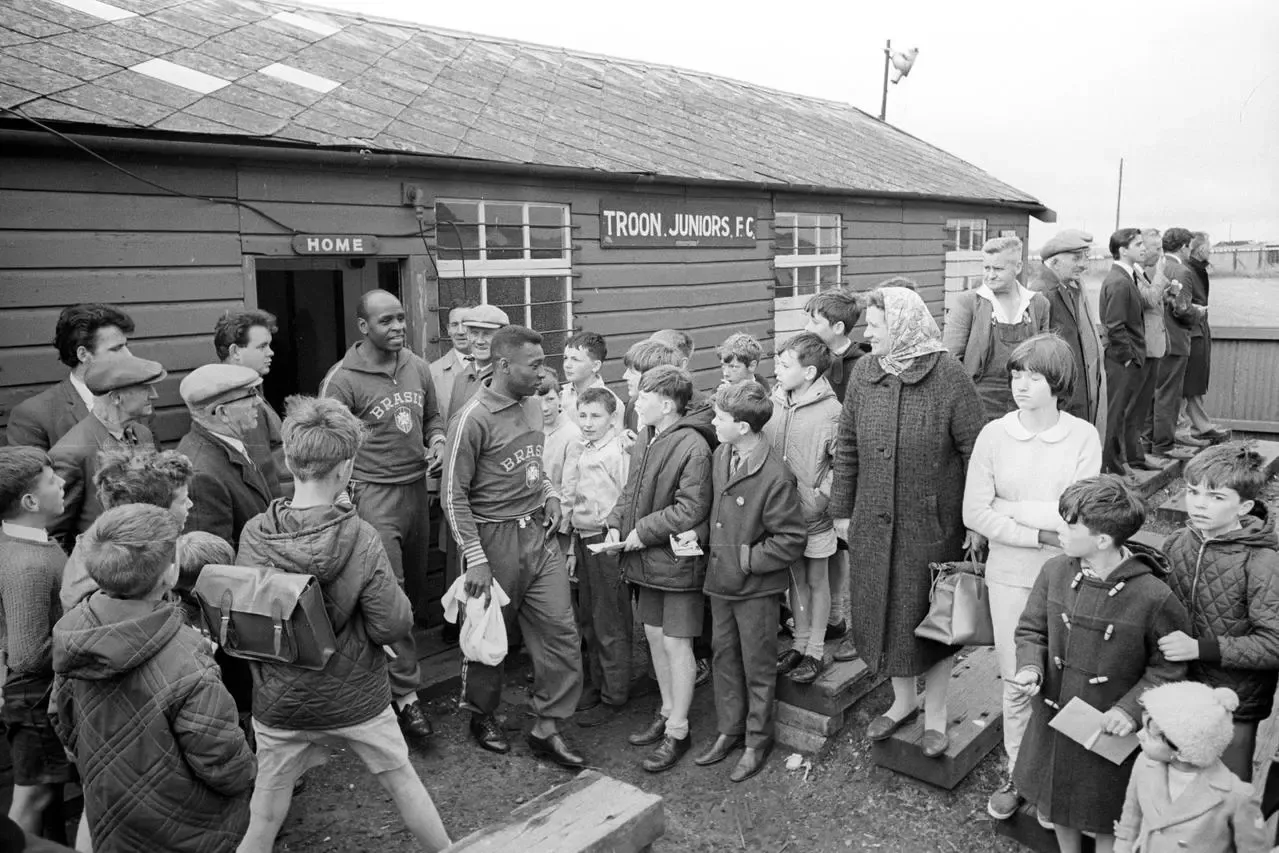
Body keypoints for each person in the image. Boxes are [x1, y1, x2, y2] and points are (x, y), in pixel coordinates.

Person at [234, 396, 451, 853]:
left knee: (265, 812)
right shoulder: (362, 535)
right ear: (346, 467)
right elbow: (392, 624)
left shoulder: (256, 532)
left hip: (280, 696)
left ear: (290, 460)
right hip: (354, 697)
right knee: (402, 784)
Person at [831, 285, 983, 757]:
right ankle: (903, 703)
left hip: (933, 526)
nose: (867, 333)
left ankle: (935, 715)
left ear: (901, 325)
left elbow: (976, 451)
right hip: (873, 524)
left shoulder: (948, 376)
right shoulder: (866, 374)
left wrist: (974, 520)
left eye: (876, 326)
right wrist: (840, 509)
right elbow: (849, 445)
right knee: (886, 616)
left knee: (929, 621)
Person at [52, 504, 256, 853]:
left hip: (111, 814)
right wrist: (248, 774)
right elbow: (224, 763)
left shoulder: (71, 633)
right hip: (189, 826)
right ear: (170, 574)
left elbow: (62, 717)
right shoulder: (189, 660)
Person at [961, 333, 1102, 820]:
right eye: (1016, 374)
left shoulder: (1083, 436)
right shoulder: (993, 435)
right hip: (1010, 576)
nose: (1021, 385)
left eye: (1034, 377)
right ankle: (1018, 774)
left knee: (1068, 677)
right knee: (1019, 679)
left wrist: (1013, 509)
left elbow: (1081, 514)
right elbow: (975, 512)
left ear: (1058, 382)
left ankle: (1057, 780)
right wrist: (1040, 532)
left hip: (1071, 578)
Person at [1011, 475, 1191, 853]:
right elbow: (1031, 630)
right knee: (1057, 801)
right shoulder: (1055, 571)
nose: (1060, 530)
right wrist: (1031, 668)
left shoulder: (1154, 596)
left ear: (1103, 540)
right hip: (1054, 720)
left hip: (1111, 729)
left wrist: (1130, 711)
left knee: (1108, 813)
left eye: (1070, 524)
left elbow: (1169, 668)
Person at [443, 325, 586, 768]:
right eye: (536, 364)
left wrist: (550, 494)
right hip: (492, 541)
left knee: (561, 631)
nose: (545, 373)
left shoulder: (531, 406)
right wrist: (476, 558)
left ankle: (548, 727)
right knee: (489, 636)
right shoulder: (472, 419)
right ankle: (482, 716)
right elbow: (452, 496)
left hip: (538, 537)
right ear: (504, 365)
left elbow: (533, 467)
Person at [319, 289, 444, 741]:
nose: (397, 327)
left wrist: (438, 442)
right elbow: (328, 446)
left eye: (401, 319)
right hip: (372, 495)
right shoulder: (342, 380)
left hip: (414, 489)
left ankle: (391, 677)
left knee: (410, 589)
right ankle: (407, 698)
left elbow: (432, 418)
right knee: (390, 596)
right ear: (362, 326)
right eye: (386, 320)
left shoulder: (418, 366)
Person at [604, 364, 713, 773]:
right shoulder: (647, 438)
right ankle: (666, 711)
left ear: (666, 405)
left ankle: (680, 731)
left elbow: (690, 509)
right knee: (652, 634)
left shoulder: (693, 447)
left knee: (676, 643)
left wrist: (639, 532)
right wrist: (616, 519)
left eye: (643, 396)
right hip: (646, 560)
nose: (635, 401)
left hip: (675, 563)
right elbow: (631, 490)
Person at [698, 382, 806, 781]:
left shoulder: (775, 475)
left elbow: (792, 539)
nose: (713, 422)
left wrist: (746, 559)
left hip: (754, 589)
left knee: (757, 666)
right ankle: (730, 729)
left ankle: (757, 740)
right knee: (723, 656)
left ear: (742, 427)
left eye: (720, 419)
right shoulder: (721, 453)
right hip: (719, 582)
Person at [1156, 443, 1279, 782]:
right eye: (1193, 491)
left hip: (1234, 707)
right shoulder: (1177, 543)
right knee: (1175, 784)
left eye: (1217, 497)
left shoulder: (1262, 562)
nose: (1199, 504)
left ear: (1246, 506)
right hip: (1179, 691)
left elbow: (1273, 644)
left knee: (1223, 795)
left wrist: (1201, 648)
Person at [0, 448, 70, 840]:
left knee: (46, 795)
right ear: (29, 501)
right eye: (51, 480)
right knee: (34, 797)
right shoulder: (27, 564)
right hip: (34, 698)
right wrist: (82, 640)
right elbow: (28, 655)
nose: (61, 484)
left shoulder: (28, 542)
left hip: (36, 697)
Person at [764, 332, 841, 684]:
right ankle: (798, 642)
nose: (776, 370)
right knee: (794, 579)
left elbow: (843, 464)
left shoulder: (832, 411)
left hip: (813, 516)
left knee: (816, 579)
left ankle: (815, 649)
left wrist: (820, 500)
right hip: (780, 513)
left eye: (784, 364)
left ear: (808, 372)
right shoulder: (774, 400)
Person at [1114, 682, 1269, 853]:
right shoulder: (1145, 763)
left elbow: (1253, 849)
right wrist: (1123, 847)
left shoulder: (1235, 795)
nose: (1140, 734)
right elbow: (1131, 819)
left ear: (1183, 750)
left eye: (1152, 733)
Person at [803, 288, 869, 662]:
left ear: (839, 327)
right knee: (830, 549)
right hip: (820, 467)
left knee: (854, 549)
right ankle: (835, 617)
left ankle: (861, 631)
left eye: (814, 320)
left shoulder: (860, 364)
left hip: (850, 467)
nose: (807, 326)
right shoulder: (815, 359)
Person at [562, 387, 632, 727]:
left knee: (610, 619)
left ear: (612, 418)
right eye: (583, 415)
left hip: (606, 541)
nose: (587, 423)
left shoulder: (617, 452)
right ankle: (597, 682)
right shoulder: (583, 448)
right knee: (589, 615)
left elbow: (626, 497)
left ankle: (615, 694)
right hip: (584, 538)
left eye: (596, 416)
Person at [49, 353, 163, 551]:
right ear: (116, 398)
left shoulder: (142, 433)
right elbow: (55, 537)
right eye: (145, 388)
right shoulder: (71, 453)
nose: (154, 394)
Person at [60, 447, 193, 611]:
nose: (190, 505)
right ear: (153, 512)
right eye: (182, 501)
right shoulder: (112, 564)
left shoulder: (139, 545)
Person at [942, 236, 1051, 422]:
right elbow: (950, 362)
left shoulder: (1038, 304)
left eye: (998, 269)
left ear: (1018, 267)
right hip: (978, 405)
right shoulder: (968, 302)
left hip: (1024, 404)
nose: (990, 275)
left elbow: (1045, 358)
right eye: (986, 268)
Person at [6, 304, 134, 450]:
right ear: (83, 354)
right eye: (116, 349)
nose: (129, 356)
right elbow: (32, 472)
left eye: (126, 346)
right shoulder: (33, 415)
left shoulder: (138, 399)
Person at [178, 364, 273, 552]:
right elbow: (214, 565)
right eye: (250, 395)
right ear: (222, 413)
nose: (259, 402)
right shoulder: (201, 476)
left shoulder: (224, 442)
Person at [1030, 230, 1106, 430]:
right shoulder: (1044, 292)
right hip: (1062, 395)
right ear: (1054, 263)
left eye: (1085, 257)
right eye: (1076, 258)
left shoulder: (1069, 287)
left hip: (1075, 391)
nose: (1084, 264)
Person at [213, 309, 290, 498]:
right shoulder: (238, 403)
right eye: (262, 346)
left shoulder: (248, 391)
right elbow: (261, 471)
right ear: (235, 352)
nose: (270, 353)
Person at [1148, 228, 1208, 463]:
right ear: (1184, 247)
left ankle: (1150, 442)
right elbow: (1182, 309)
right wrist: (1199, 313)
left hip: (1157, 341)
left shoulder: (1156, 267)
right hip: (1175, 342)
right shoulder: (1182, 271)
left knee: (1155, 393)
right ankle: (1163, 445)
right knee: (1169, 396)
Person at [1099, 228, 1150, 477]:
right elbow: (1114, 325)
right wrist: (1128, 357)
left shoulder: (1125, 277)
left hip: (1126, 360)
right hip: (1122, 362)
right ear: (1123, 250)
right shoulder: (1119, 281)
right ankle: (1113, 468)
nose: (1144, 248)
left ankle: (1118, 465)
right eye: (1138, 244)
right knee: (1115, 415)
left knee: (1119, 414)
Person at [1130, 229, 1172, 470]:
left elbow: (1151, 301)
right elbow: (1146, 300)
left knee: (1146, 401)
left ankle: (1141, 450)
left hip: (1152, 345)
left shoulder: (1142, 273)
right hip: (1142, 347)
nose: (1159, 253)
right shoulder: (1134, 273)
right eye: (1155, 248)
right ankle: (1138, 452)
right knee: (1139, 403)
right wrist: (1161, 276)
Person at [1183, 232, 1228, 442]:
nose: (1210, 251)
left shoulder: (1196, 270)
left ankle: (1198, 424)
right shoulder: (1190, 271)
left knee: (1195, 380)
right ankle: (1199, 425)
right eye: (1208, 247)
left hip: (1198, 330)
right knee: (1192, 380)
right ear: (1200, 249)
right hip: (1193, 331)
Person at [446, 303, 509, 418]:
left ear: (502, 338)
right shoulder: (461, 378)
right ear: (468, 335)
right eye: (474, 333)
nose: (480, 341)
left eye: (487, 334)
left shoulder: (508, 379)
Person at [560, 331, 624, 434]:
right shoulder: (559, 395)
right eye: (565, 358)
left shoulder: (612, 402)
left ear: (595, 366)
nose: (567, 365)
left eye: (575, 360)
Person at [619, 339, 683, 436]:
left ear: (652, 375)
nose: (625, 376)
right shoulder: (632, 405)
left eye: (631, 371)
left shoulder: (677, 422)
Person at [429, 300, 477, 422]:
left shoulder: (495, 367)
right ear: (449, 329)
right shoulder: (433, 373)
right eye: (455, 325)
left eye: (466, 324)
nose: (460, 331)